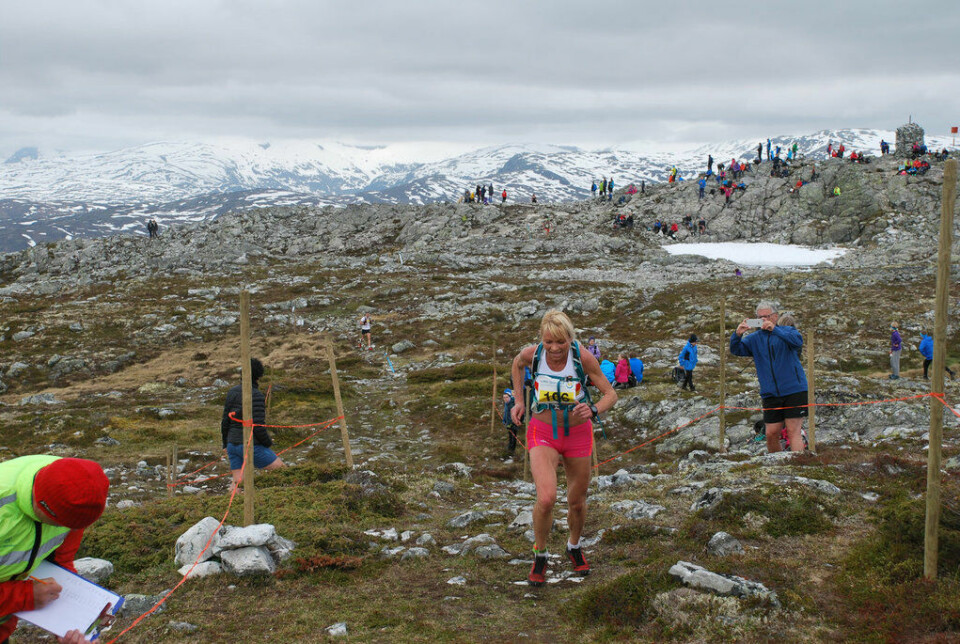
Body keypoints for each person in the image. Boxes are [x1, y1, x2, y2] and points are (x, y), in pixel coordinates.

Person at [510, 311, 617, 586]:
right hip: (542, 430)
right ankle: (541, 553)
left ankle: (574, 545)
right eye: (548, 342)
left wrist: (593, 409)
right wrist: (519, 401)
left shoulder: (582, 357)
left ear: (570, 338)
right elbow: (516, 364)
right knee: (546, 499)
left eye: (561, 342)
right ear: (541, 341)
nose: (555, 349)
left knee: (576, 502)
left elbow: (611, 395)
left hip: (578, 434)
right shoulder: (534, 354)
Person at [0, 456, 110, 644]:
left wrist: (76, 618)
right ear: (42, 506)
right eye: (61, 524)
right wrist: (25, 596)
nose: (70, 530)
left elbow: (60, 563)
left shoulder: (76, 493)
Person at [730, 302, 808, 453]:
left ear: (775, 316)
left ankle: (799, 466)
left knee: (793, 431)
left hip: (794, 390)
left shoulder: (788, 331)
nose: (763, 320)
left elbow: (798, 342)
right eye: (760, 317)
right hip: (770, 393)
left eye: (767, 316)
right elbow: (736, 349)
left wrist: (775, 330)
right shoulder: (754, 338)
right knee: (771, 433)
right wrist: (737, 334)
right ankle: (777, 466)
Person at [221, 358, 285, 492]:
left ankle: (229, 508)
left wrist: (225, 444)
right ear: (258, 375)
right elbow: (258, 425)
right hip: (250, 445)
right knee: (282, 469)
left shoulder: (232, 392)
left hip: (232, 444)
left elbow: (225, 420)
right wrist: (267, 443)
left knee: (238, 482)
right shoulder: (256, 395)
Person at [501, 389, 521, 457]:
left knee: (514, 436)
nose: (505, 399)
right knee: (510, 435)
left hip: (513, 423)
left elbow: (513, 415)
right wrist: (504, 420)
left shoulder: (512, 404)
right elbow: (506, 413)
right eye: (504, 397)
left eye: (506, 397)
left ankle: (512, 450)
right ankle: (510, 448)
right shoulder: (506, 404)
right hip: (508, 423)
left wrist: (511, 423)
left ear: (510, 397)